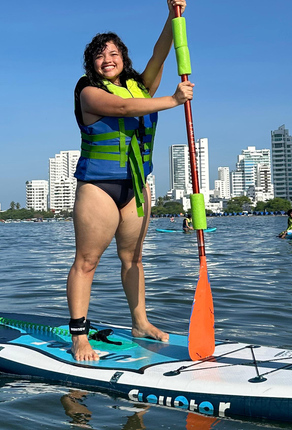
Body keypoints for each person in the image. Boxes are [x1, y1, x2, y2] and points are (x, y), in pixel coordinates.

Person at [67, 0, 192, 361]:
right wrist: (173, 99)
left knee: (133, 260)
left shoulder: (140, 86)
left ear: (123, 57)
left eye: (114, 52)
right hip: (98, 187)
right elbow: (121, 109)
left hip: (136, 187)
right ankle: (79, 335)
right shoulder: (87, 91)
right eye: (99, 55)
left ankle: (140, 322)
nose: (107, 59)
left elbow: (160, 53)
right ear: (91, 64)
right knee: (87, 262)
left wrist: (173, 16)